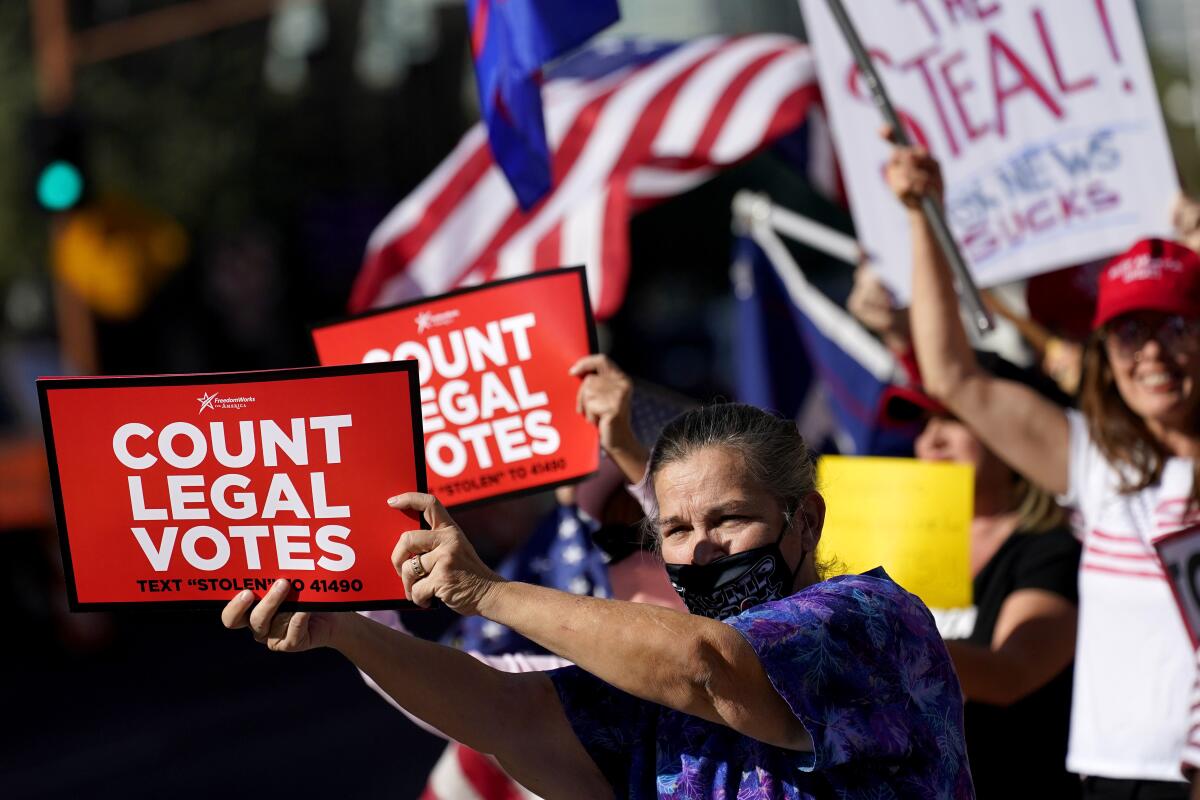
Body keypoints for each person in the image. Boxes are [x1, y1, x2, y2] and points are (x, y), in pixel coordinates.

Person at [222, 381, 974, 798]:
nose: (702, 547)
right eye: (676, 530)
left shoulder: (870, 619)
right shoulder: (653, 683)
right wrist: (342, 631)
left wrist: (485, 592)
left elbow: (710, 666)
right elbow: (507, 715)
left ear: (804, 517)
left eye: (732, 519)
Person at [885, 134, 1199, 799]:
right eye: (1128, 331)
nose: (1151, 354)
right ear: (1105, 351)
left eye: (1175, 326)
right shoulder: (1098, 461)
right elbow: (950, 375)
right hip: (1111, 778)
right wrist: (921, 215)